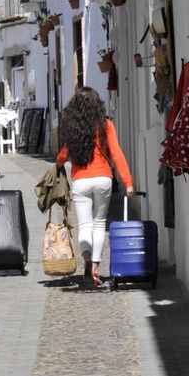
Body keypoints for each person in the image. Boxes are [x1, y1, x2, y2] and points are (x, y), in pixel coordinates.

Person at [55, 86, 134, 289]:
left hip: (81, 180)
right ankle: (96, 269)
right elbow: (116, 153)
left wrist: (58, 163)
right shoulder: (106, 124)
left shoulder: (72, 127)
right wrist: (128, 182)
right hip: (103, 179)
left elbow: (64, 154)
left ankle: (87, 260)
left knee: (84, 226)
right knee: (99, 224)